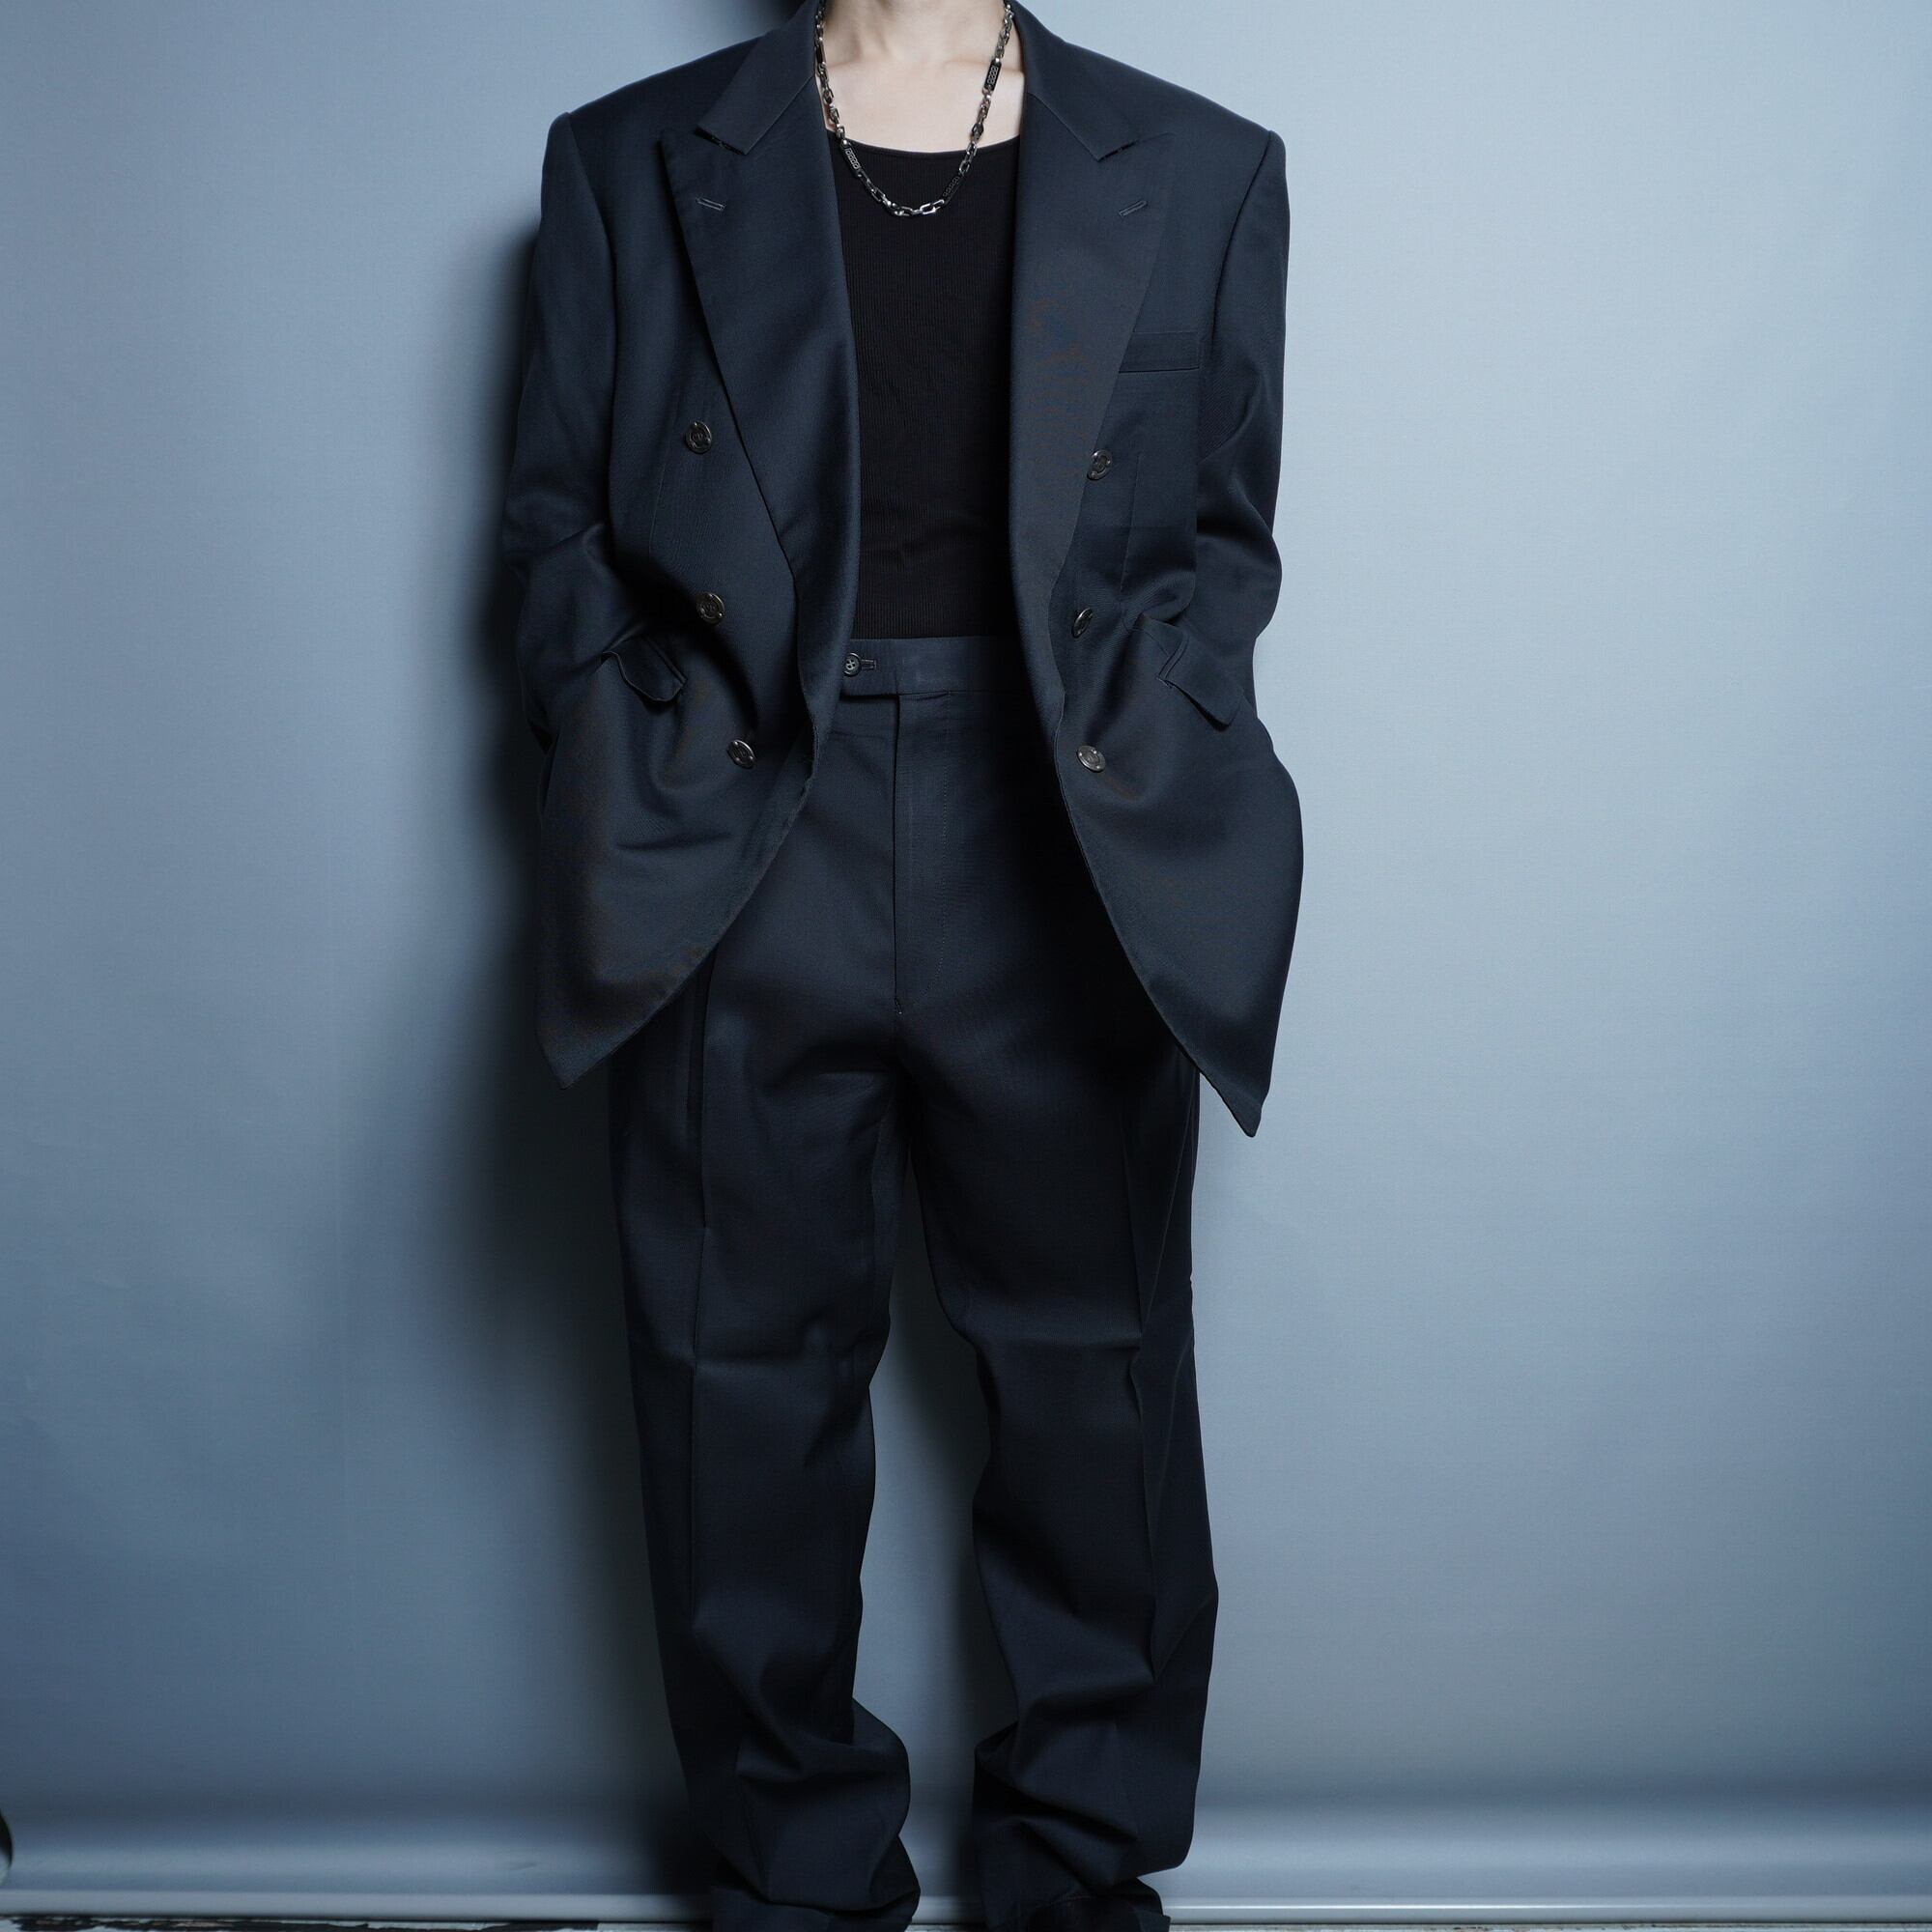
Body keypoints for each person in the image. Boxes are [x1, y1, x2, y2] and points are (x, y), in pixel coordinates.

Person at [497, 4, 1301, 1932]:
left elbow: (1219, 547)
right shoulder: (627, 160)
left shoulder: (1202, 167)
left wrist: (1149, 739)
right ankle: (794, 1884)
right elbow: (552, 533)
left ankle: (1077, 1875)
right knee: (735, 1386)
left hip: (1062, 827)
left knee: (1097, 1383)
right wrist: (638, 736)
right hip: (738, 817)